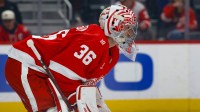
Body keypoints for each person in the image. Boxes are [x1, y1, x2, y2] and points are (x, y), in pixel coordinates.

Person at [5, 5, 138, 112]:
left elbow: (82, 85)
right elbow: (61, 75)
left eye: (131, 29)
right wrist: (76, 102)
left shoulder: (111, 53)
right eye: (126, 28)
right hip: (25, 62)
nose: (130, 33)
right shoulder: (94, 41)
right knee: (49, 109)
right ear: (112, 25)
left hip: (42, 67)